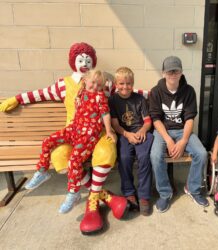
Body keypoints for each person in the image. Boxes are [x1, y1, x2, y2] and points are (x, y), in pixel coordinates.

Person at [0, 43, 129, 235]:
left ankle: (89, 200)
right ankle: (100, 195)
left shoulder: (104, 87)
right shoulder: (66, 85)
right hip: (73, 131)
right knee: (60, 156)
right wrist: (17, 99)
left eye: (88, 60)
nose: (84, 63)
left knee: (104, 152)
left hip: (95, 134)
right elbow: (40, 94)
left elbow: (125, 92)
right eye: (80, 59)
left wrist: (154, 95)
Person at [25, 69, 117, 214]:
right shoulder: (81, 91)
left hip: (88, 134)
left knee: (74, 160)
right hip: (74, 129)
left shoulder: (100, 97)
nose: (94, 88)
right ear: (85, 80)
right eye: (92, 83)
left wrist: (109, 130)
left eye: (99, 86)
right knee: (48, 141)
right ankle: (42, 170)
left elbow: (105, 114)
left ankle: (74, 193)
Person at [149, 56, 209, 213]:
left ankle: (193, 188)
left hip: (183, 129)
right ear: (163, 73)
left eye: (176, 71)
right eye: (169, 71)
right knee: (155, 156)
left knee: (201, 153)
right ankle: (165, 193)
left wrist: (183, 141)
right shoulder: (156, 92)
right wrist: (168, 139)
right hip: (163, 131)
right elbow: (155, 119)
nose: (172, 74)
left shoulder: (188, 91)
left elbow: (190, 119)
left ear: (181, 72)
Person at [108, 67, 153, 216]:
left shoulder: (139, 99)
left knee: (144, 158)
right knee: (125, 158)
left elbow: (147, 121)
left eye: (128, 83)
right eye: (121, 83)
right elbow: (115, 124)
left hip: (141, 133)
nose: (125, 87)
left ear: (132, 83)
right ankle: (129, 193)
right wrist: (127, 134)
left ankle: (144, 196)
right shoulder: (113, 100)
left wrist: (142, 131)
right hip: (124, 134)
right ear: (116, 83)